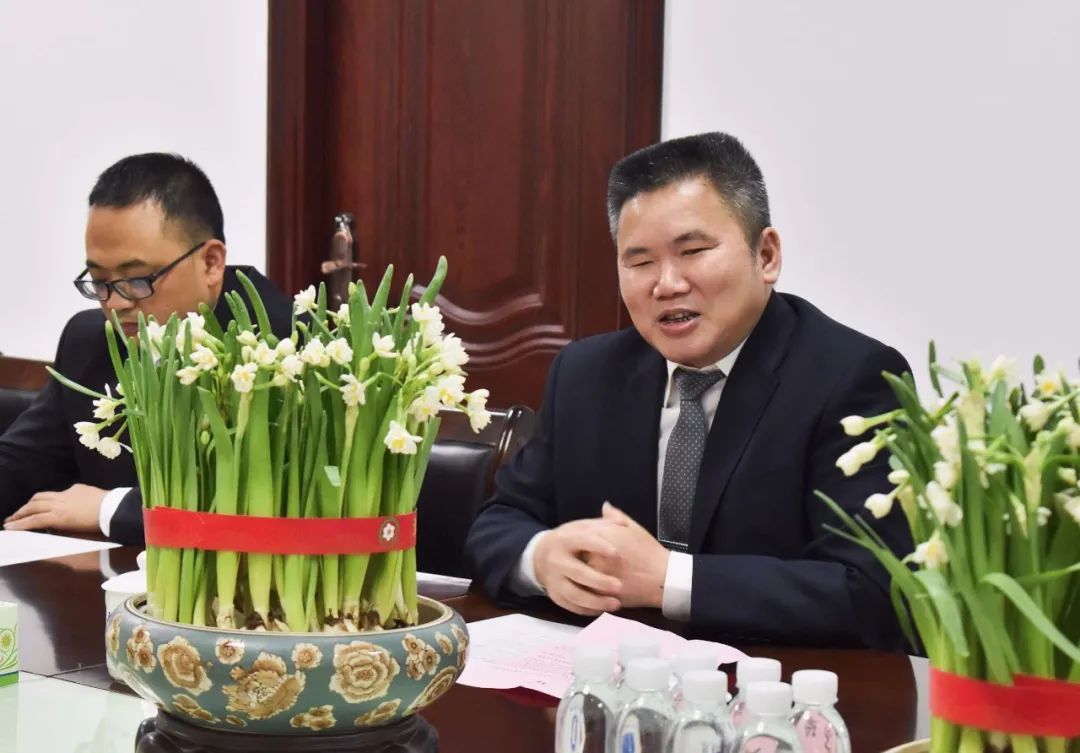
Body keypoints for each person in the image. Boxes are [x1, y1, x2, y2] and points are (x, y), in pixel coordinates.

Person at [465, 132, 914, 650]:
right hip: (608, 679)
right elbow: (497, 524)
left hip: (773, 682)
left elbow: (873, 590)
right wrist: (541, 557)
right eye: (640, 262)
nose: (666, 284)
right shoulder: (586, 373)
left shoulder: (852, 378)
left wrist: (669, 580)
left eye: (693, 251)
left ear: (766, 255)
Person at [1, 153, 293, 544]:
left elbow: (270, 507)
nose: (116, 303)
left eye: (138, 280)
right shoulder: (90, 341)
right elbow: (20, 465)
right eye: (99, 281)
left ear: (210, 263)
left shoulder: (284, 347)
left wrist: (110, 509)